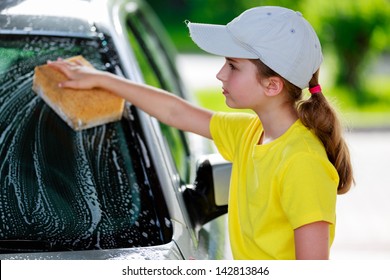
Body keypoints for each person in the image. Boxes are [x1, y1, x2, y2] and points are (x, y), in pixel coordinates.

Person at [48, 6, 354, 260]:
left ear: (272, 85)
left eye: (233, 66)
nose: (220, 74)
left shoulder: (303, 162)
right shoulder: (251, 132)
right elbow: (175, 112)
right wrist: (102, 80)